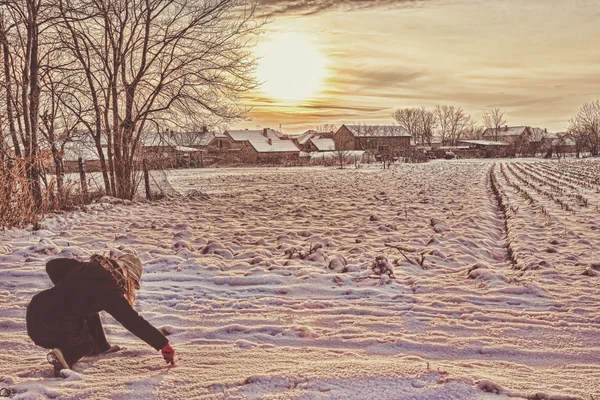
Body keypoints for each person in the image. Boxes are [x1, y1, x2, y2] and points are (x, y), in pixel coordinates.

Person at [26, 254, 175, 376]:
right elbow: (133, 322)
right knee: (86, 345)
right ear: (128, 275)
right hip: (56, 324)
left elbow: (52, 265)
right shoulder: (110, 290)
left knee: (89, 311)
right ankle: (64, 358)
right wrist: (162, 344)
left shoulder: (85, 268)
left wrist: (67, 289)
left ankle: (100, 347)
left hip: (34, 316)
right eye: (132, 283)